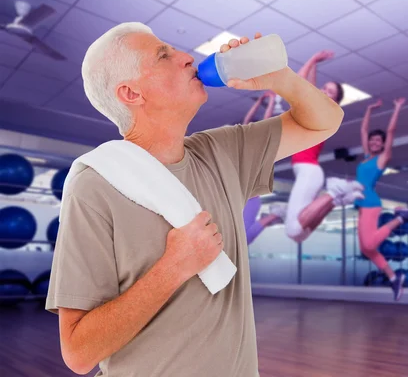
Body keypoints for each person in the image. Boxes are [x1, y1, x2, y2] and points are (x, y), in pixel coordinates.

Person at [45, 23, 345, 377]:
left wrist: (280, 79)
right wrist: (173, 268)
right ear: (131, 93)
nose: (186, 57)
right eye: (163, 56)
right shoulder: (94, 183)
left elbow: (324, 122)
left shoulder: (222, 152)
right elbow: (78, 353)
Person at [283, 50, 364, 243]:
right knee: (300, 235)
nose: (324, 91)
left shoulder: (321, 111)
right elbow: (309, 87)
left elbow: (299, 83)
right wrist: (316, 65)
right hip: (308, 171)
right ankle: (339, 198)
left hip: (309, 171)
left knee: (293, 230)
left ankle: (336, 191)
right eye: (324, 87)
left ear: (333, 101)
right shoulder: (319, 111)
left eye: (330, 92)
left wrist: (312, 58)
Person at [356, 98, 408, 301]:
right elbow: (363, 130)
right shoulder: (366, 155)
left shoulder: (382, 159)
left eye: (379, 141)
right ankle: (394, 279)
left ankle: (400, 219)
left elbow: (391, 133)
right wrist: (368, 109)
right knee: (366, 249)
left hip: (371, 203)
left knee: (369, 244)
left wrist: (397, 109)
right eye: (372, 140)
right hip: (361, 205)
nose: (374, 142)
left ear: (383, 145)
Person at [241, 91, 286, 244]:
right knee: (245, 238)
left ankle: (273, 216)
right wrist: (259, 100)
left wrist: (271, 101)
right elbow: (246, 120)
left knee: (244, 238)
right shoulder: (243, 146)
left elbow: (265, 121)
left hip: (249, 195)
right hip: (248, 197)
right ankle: (273, 216)